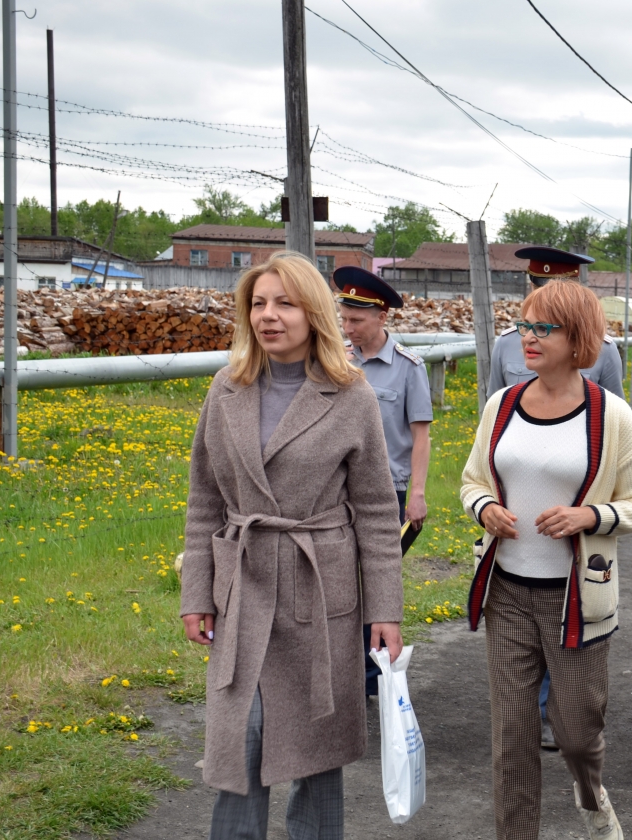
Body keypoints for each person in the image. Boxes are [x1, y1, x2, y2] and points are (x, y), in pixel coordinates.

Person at [180, 252, 404, 840]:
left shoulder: (350, 395)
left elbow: (379, 512)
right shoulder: (225, 389)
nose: (268, 316)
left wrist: (385, 610)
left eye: (284, 303)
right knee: (241, 741)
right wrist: (195, 593)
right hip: (243, 585)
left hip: (317, 589)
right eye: (258, 303)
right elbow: (204, 500)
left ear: (313, 313)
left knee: (316, 748)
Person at [460, 279, 632, 840]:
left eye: (544, 327)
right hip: (508, 593)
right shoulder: (501, 406)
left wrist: (587, 518)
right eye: (525, 324)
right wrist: (486, 510)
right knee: (513, 737)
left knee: (574, 730)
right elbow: (473, 482)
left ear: (579, 339)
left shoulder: (610, 415)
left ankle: (591, 796)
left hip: (578, 599)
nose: (529, 337)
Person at [487, 245, 625, 752]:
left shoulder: (603, 353)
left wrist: (591, 513)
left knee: (577, 713)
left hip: (575, 562)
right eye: (535, 290)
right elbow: (492, 434)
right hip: (513, 561)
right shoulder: (507, 348)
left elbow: (611, 430)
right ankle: (538, 712)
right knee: (512, 723)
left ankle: (559, 713)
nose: (532, 332)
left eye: (555, 295)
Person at [336, 265, 434, 697]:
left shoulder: (409, 368)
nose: (348, 327)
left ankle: (372, 677)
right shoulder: (336, 361)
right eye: (344, 318)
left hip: (388, 493)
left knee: (378, 581)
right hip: (338, 490)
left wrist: (416, 494)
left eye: (356, 320)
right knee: (340, 581)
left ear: (381, 317)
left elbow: (420, 436)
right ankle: (344, 671)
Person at [488, 245, 624, 399]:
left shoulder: (601, 348)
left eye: (558, 296)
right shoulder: (507, 343)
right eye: (540, 292)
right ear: (532, 287)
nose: (546, 300)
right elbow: (496, 406)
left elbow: (612, 412)